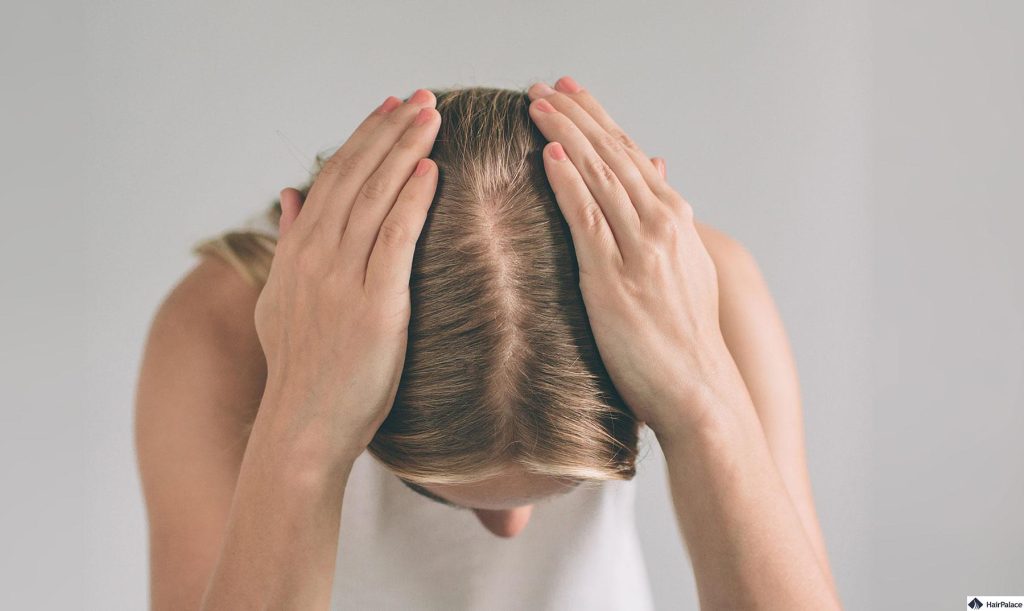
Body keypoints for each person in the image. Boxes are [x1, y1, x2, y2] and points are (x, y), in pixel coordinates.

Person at [135, 77, 842, 610]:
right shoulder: (220, 327)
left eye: (570, 488)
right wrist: (303, 429)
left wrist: (702, 401)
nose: (510, 529)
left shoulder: (693, 293)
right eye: (436, 494)